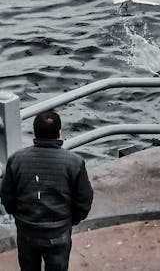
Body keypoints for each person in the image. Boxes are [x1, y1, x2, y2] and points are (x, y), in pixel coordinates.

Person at [0, 108, 93, 271]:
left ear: (35, 133)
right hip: (59, 231)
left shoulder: (17, 159)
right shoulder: (74, 162)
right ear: (59, 133)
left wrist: (17, 215)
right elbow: (84, 199)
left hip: (27, 229)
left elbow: (6, 195)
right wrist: (72, 220)